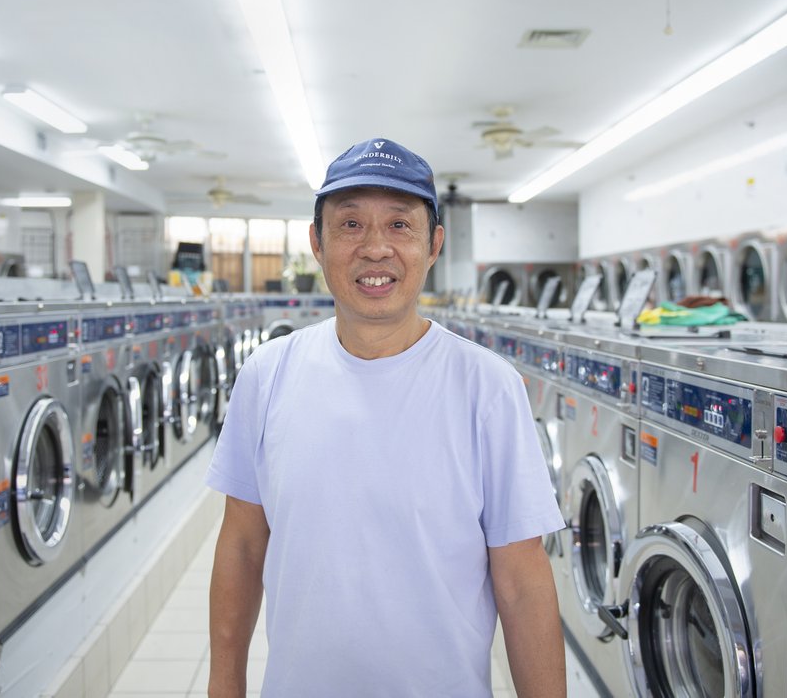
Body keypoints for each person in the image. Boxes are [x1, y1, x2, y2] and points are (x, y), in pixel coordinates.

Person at [206, 137, 569, 697]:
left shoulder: (487, 387)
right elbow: (242, 544)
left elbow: (522, 580)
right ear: (317, 243)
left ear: (433, 245)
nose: (376, 248)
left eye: (400, 225)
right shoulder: (268, 374)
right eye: (350, 225)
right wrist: (223, 684)